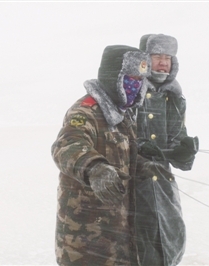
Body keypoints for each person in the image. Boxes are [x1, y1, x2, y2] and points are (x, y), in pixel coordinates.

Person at [51, 45, 151, 265]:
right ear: (112, 76)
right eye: (129, 78)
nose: (135, 85)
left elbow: (123, 156)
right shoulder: (85, 110)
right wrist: (94, 168)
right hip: (86, 231)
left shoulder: (122, 114)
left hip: (119, 228)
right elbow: (67, 145)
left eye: (139, 79)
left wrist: (144, 166)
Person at [134, 34, 199, 266]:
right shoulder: (130, 91)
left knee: (170, 238)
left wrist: (184, 152)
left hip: (162, 182)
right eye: (157, 56)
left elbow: (176, 137)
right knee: (139, 242)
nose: (163, 62)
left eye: (168, 57)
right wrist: (140, 148)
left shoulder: (174, 97)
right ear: (144, 59)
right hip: (133, 183)